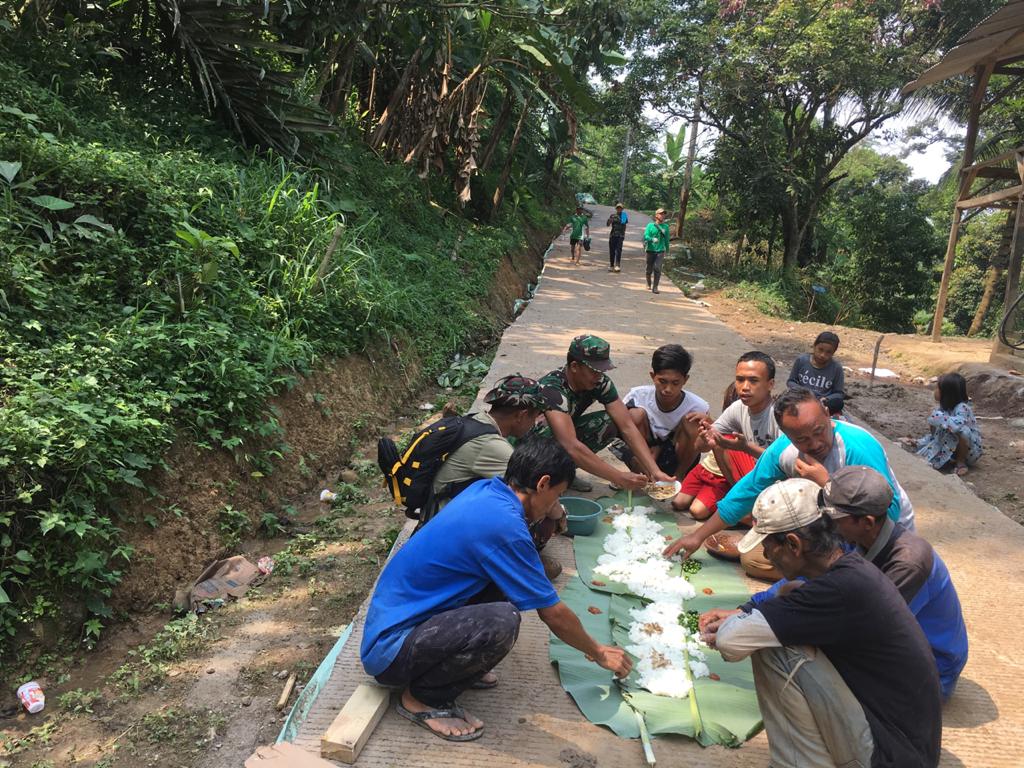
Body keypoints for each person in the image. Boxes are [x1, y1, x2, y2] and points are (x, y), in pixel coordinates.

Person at [361, 436, 632, 742]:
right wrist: (597, 652)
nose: (556, 505)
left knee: (510, 581)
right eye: (557, 496)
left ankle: (453, 666)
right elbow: (553, 614)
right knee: (503, 621)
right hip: (389, 651)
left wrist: (551, 516)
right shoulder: (504, 527)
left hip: (400, 618)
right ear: (542, 484)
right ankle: (422, 698)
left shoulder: (488, 489)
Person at [700, 478, 942, 768]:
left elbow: (732, 642)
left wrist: (737, 623)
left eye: (768, 546)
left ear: (793, 544)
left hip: (888, 755)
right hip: (905, 746)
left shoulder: (840, 589)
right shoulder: (851, 569)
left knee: (774, 646)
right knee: (780, 616)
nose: (765, 555)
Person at [665, 386, 915, 582]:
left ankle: (829, 579)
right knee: (757, 559)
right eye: (802, 438)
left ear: (828, 415)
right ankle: (821, 575)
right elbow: (745, 493)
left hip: (878, 537)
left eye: (819, 431)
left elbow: (884, 513)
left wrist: (827, 485)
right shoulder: (783, 451)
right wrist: (698, 536)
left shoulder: (857, 446)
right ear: (786, 434)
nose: (815, 443)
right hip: (829, 530)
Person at [430, 374, 565, 572]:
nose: (535, 423)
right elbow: (535, 494)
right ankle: (520, 564)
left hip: (445, 508)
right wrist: (560, 515)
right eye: (534, 415)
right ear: (521, 415)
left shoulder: (477, 422)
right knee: (543, 515)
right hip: (449, 526)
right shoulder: (492, 446)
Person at [534, 334, 675, 493]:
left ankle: (563, 473)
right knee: (554, 435)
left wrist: (654, 470)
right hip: (531, 448)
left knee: (608, 422)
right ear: (574, 366)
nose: (599, 376)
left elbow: (627, 426)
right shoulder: (552, 388)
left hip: (562, 439)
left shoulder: (599, 382)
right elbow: (570, 445)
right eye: (594, 371)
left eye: (602, 370)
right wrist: (618, 477)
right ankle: (545, 475)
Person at [619, 344, 709, 479]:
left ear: (685, 380)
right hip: (644, 453)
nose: (668, 389)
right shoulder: (637, 396)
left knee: (694, 422)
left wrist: (709, 424)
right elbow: (621, 429)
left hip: (676, 457)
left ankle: (678, 478)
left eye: (675, 383)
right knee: (633, 415)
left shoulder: (698, 406)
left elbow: (705, 447)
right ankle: (641, 474)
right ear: (652, 376)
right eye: (662, 381)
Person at [672, 382, 757, 521]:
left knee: (696, 511)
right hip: (704, 469)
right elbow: (700, 446)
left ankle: (725, 501)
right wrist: (709, 424)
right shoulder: (726, 420)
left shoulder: (746, 433)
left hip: (721, 479)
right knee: (678, 502)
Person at [915, 372, 982, 476]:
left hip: (970, 450)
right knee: (937, 421)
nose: (935, 391)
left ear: (947, 393)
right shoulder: (944, 407)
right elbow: (937, 426)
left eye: (937, 388)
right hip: (950, 445)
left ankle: (961, 462)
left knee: (963, 431)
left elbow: (957, 426)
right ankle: (942, 454)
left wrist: (939, 418)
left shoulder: (962, 407)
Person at [787, 331, 846, 415]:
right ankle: (815, 412)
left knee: (839, 403)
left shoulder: (836, 368)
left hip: (822, 402)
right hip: (802, 397)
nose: (823, 355)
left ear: (833, 353)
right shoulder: (801, 360)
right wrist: (802, 391)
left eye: (828, 352)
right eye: (820, 350)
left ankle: (814, 411)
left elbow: (839, 394)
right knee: (788, 399)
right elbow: (790, 382)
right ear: (814, 346)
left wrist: (826, 398)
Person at [642, 207, 670, 293]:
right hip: (650, 250)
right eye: (661, 214)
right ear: (656, 215)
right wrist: (651, 239)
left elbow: (667, 239)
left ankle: (655, 287)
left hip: (660, 251)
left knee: (657, 268)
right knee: (649, 269)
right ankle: (648, 283)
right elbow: (645, 236)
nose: (662, 215)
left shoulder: (666, 227)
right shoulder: (650, 226)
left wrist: (667, 250)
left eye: (663, 214)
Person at [606, 203, 627, 272]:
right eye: (618, 208)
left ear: (622, 209)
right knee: (612, 251)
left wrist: (623, 235)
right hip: (612, 235)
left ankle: (617, 265)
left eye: (620, 208)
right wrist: (609, 221)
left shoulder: (624, 215)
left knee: (618, 250)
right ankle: (611, 265)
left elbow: (623, 223)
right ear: (616, 208)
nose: (619, 209)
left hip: (620, 236)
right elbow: (608, 225)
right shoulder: (612, 215)